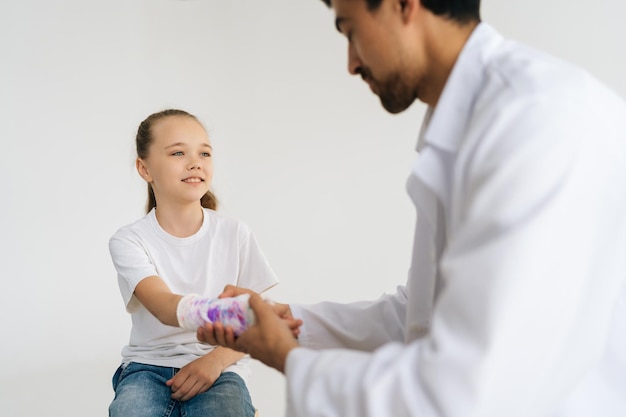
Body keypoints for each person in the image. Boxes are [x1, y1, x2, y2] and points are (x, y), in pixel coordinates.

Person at [198, 1, 626, 416]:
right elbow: (422, 315)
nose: (351, 62)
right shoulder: (468, 122)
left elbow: (463, 391)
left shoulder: (536, 120)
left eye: (350, 30)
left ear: (403, 5)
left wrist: (288, 356)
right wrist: (292, 323)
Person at [108, 108, 280, 417]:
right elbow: (163, 306)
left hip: (222, 367)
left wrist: (212, 363)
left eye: (205, 153)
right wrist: (229, 313)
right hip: (147, 368)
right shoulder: (129, 240)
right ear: (144, 168)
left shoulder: (235, 234)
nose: (195, 162)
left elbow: (258, 320)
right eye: (177, 152)